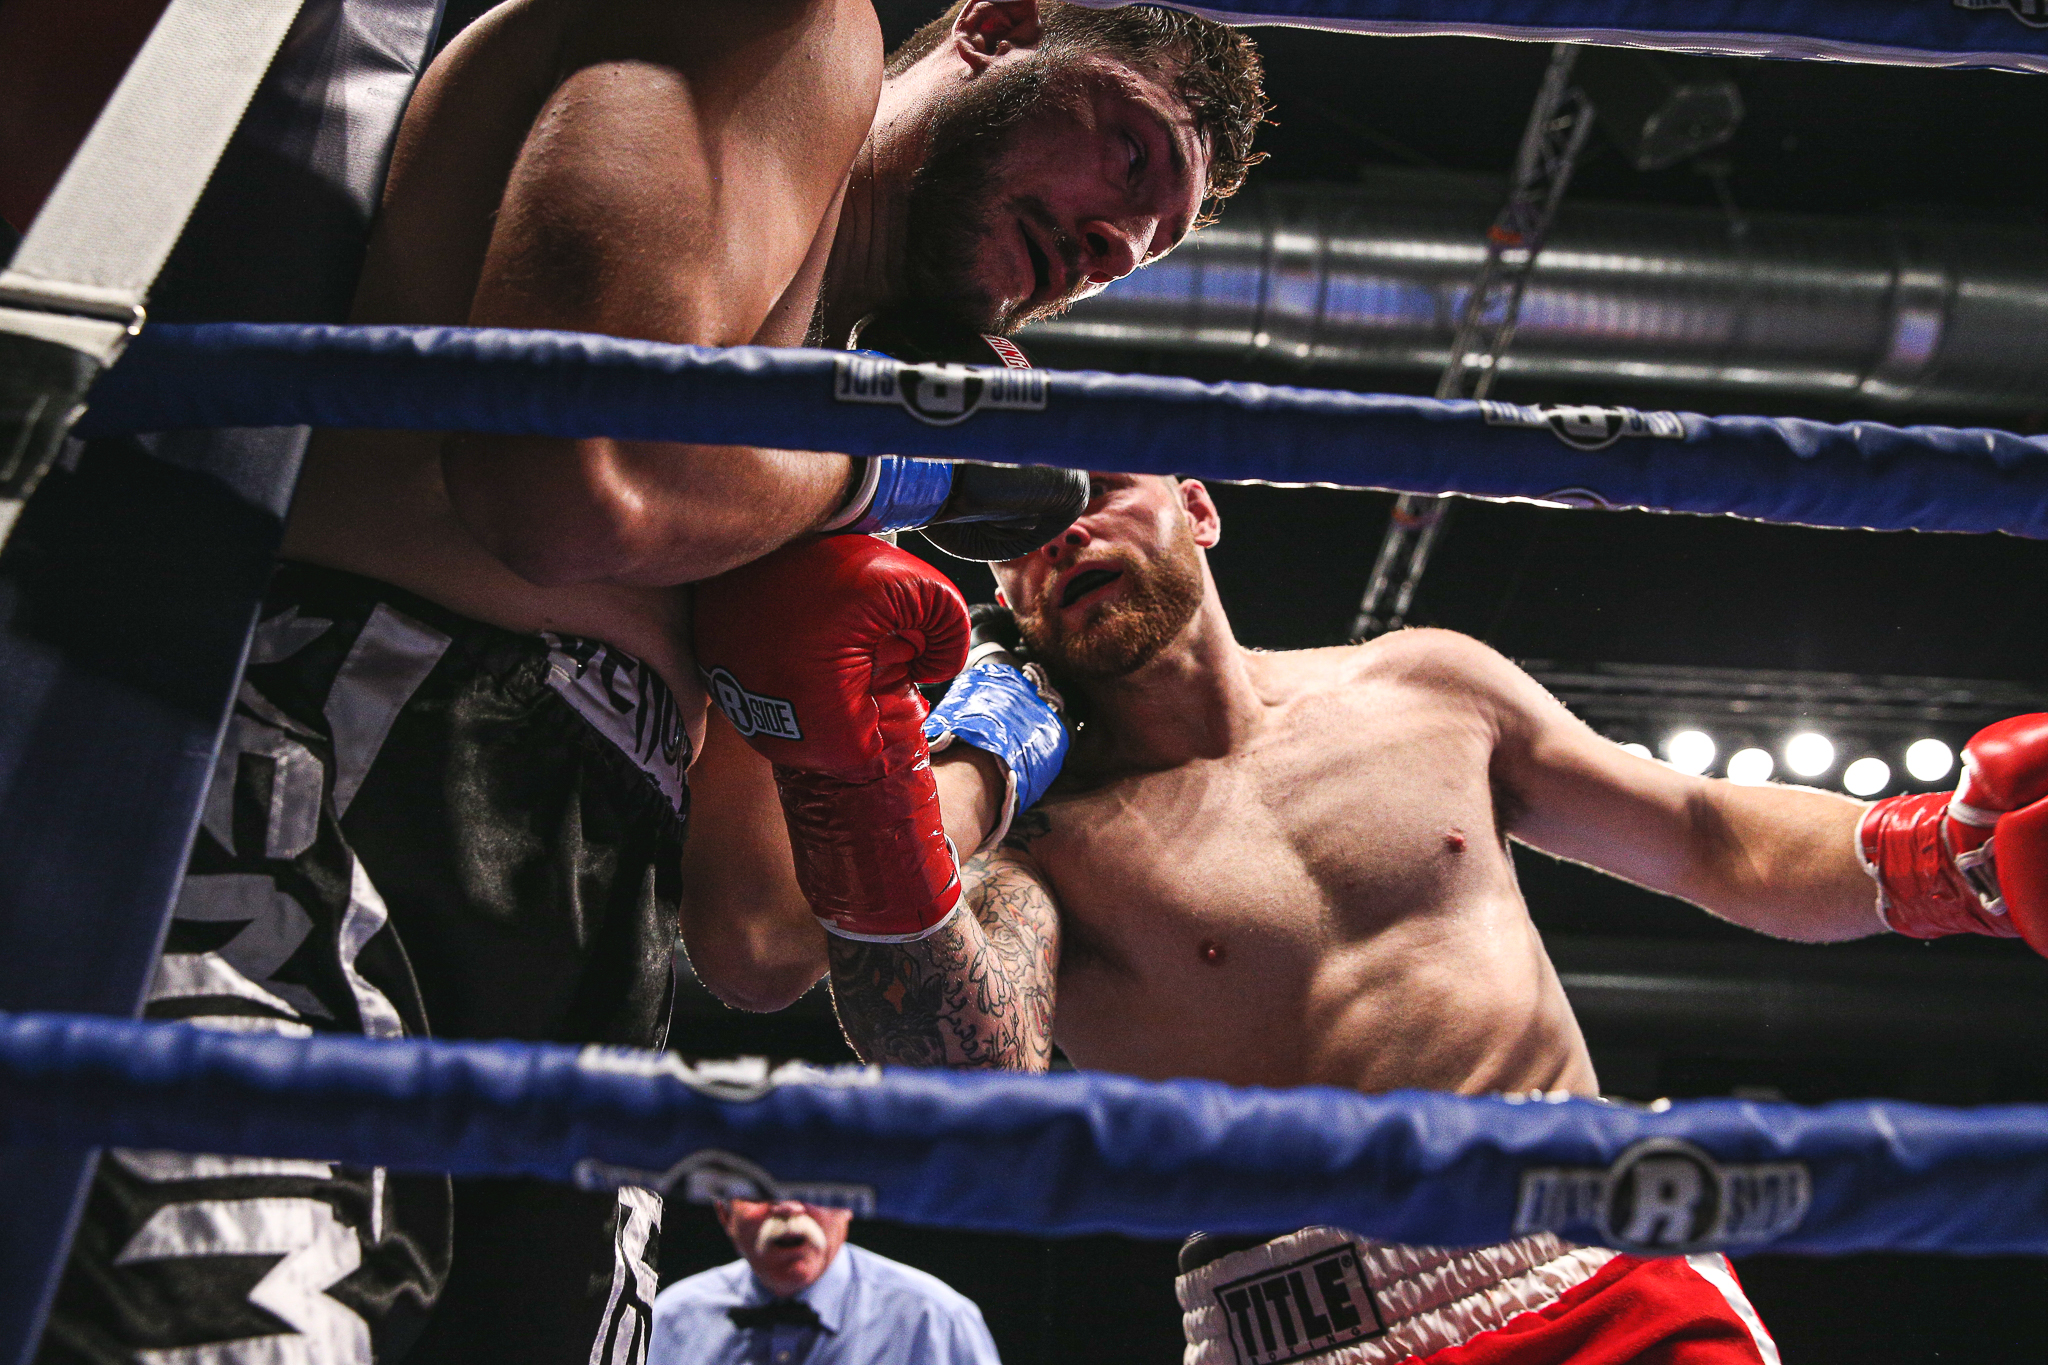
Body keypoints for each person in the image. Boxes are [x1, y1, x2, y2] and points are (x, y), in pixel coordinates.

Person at [27, 2, 1269, 1361]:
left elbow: (756, 932)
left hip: (597, 948)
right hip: (347, 776)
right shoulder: (791, 29)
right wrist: (907, 468)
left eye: (1146, 249)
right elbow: (569, 485)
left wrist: (986, 730)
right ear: (1004, 25)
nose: (1113, 245)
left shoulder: (853, 400)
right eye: (1134, 160)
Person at [702, 471, 2048, 1365]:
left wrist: (1947, 860)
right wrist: (909, 783)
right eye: (1017, 538)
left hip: (1590, 1264)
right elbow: (955, 1051)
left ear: (1197, 502)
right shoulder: (1040, 836)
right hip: (1304, 1327)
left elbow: (1705, 834)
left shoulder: (1424, 688)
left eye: (1098, 489)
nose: (1064, 537)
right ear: (1003, 597)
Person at [649, 1199, 1000, 1365]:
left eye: (807, 1186)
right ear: (724, 1214)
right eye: (761, 1191)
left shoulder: (936, 1320)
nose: (787, 1207)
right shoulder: (667, 1321)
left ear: (848, 1205)